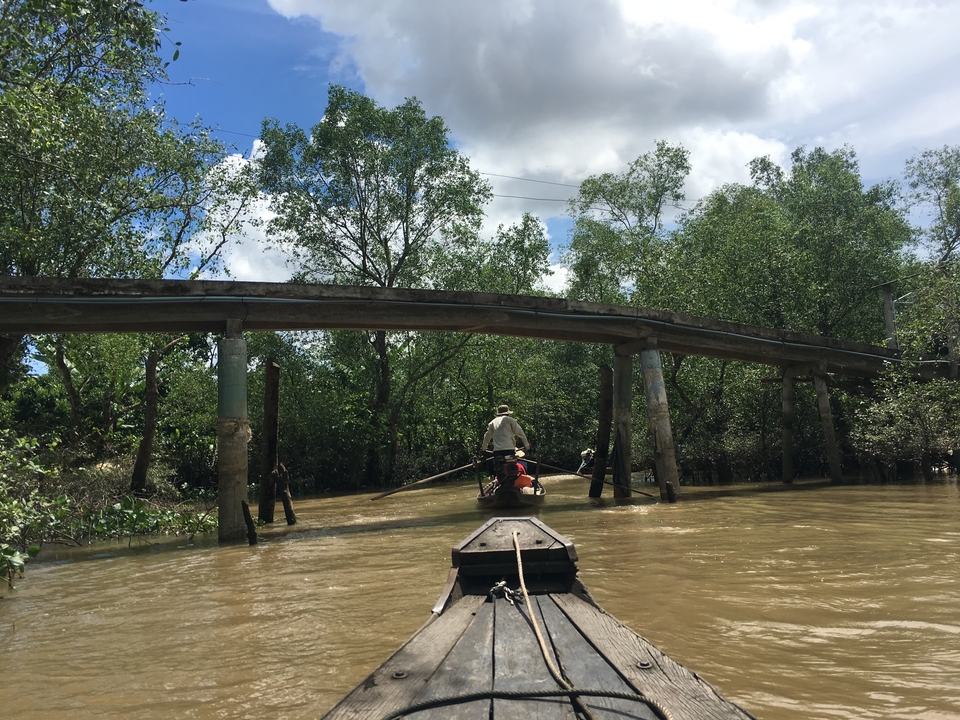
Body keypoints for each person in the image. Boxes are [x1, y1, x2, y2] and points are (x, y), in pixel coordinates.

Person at [480, 404, 530, 479]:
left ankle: (500, 479)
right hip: (509, 450)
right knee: (512, 469)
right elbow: (520, 433)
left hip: (497, 451)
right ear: (508, 413)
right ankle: (513, 480)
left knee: (499, 470)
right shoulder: (510, 420)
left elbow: (487, 436)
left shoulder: (492, 422)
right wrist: (527, 445)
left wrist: (483, 448)